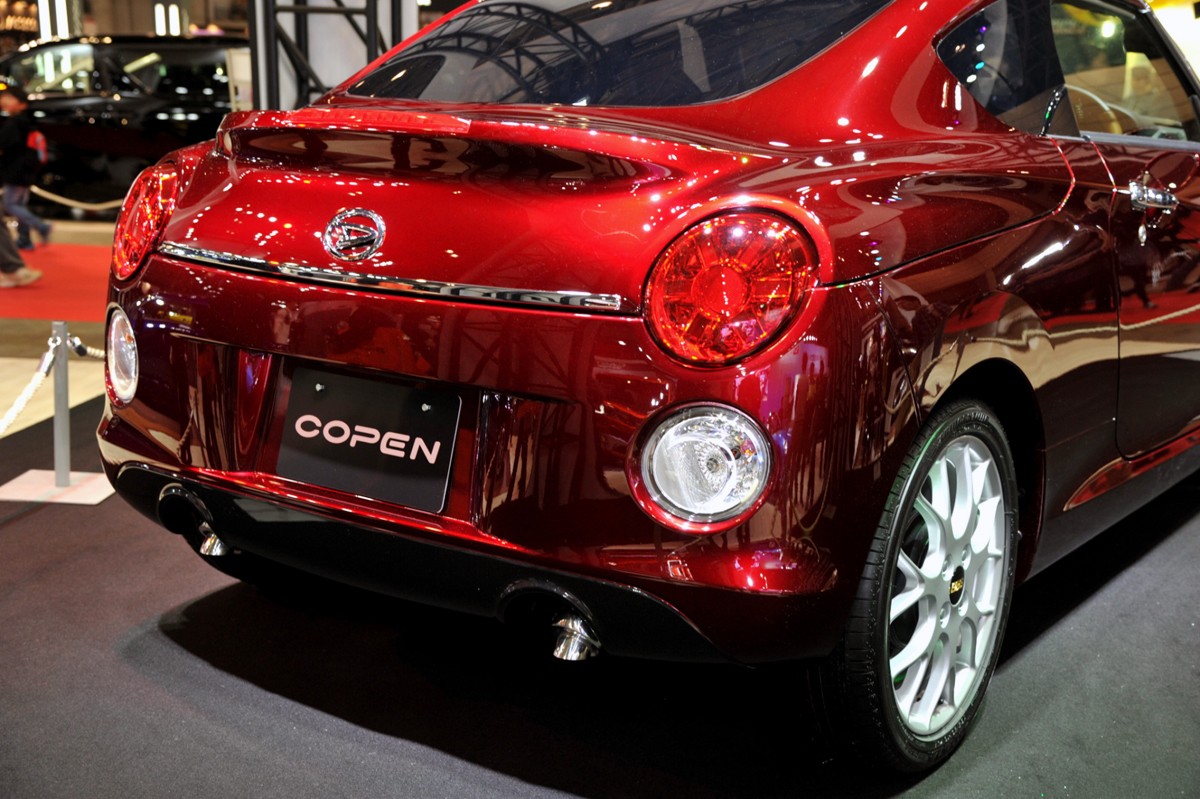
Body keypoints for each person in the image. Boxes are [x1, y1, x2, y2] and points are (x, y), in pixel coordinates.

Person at [0, 86, 51, 250]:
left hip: (15, 171)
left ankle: (41, 226)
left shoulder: (15, 123)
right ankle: (24, 239)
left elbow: (3, 144)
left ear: (22, 103)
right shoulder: (28, 121)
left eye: (9, 98)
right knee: (19, 205)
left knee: (10, 205)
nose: (3, 101)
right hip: (27, 170)